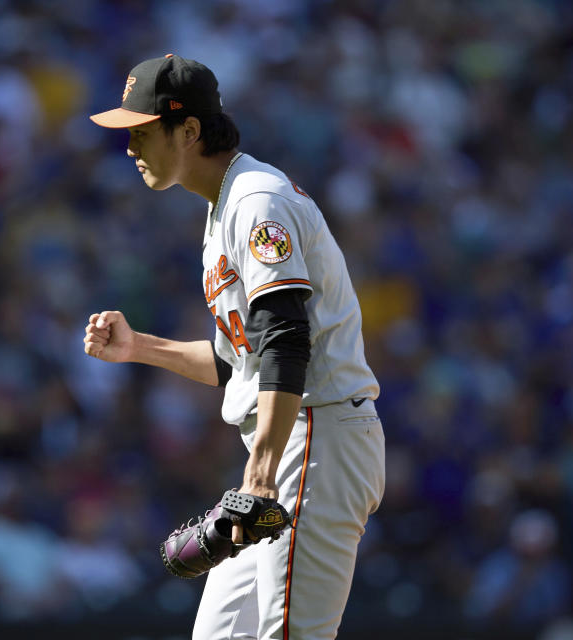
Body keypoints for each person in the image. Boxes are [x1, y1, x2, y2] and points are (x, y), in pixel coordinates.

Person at [84, 55, 385, 639]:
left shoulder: (256, 201)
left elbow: (285, 338)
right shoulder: (225, 206)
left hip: (316, 439)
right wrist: (138, 347)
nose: (129, 147)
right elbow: (238, 361)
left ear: (189, 130)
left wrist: (264, 472)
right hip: (291, 437)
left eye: (141, 130)